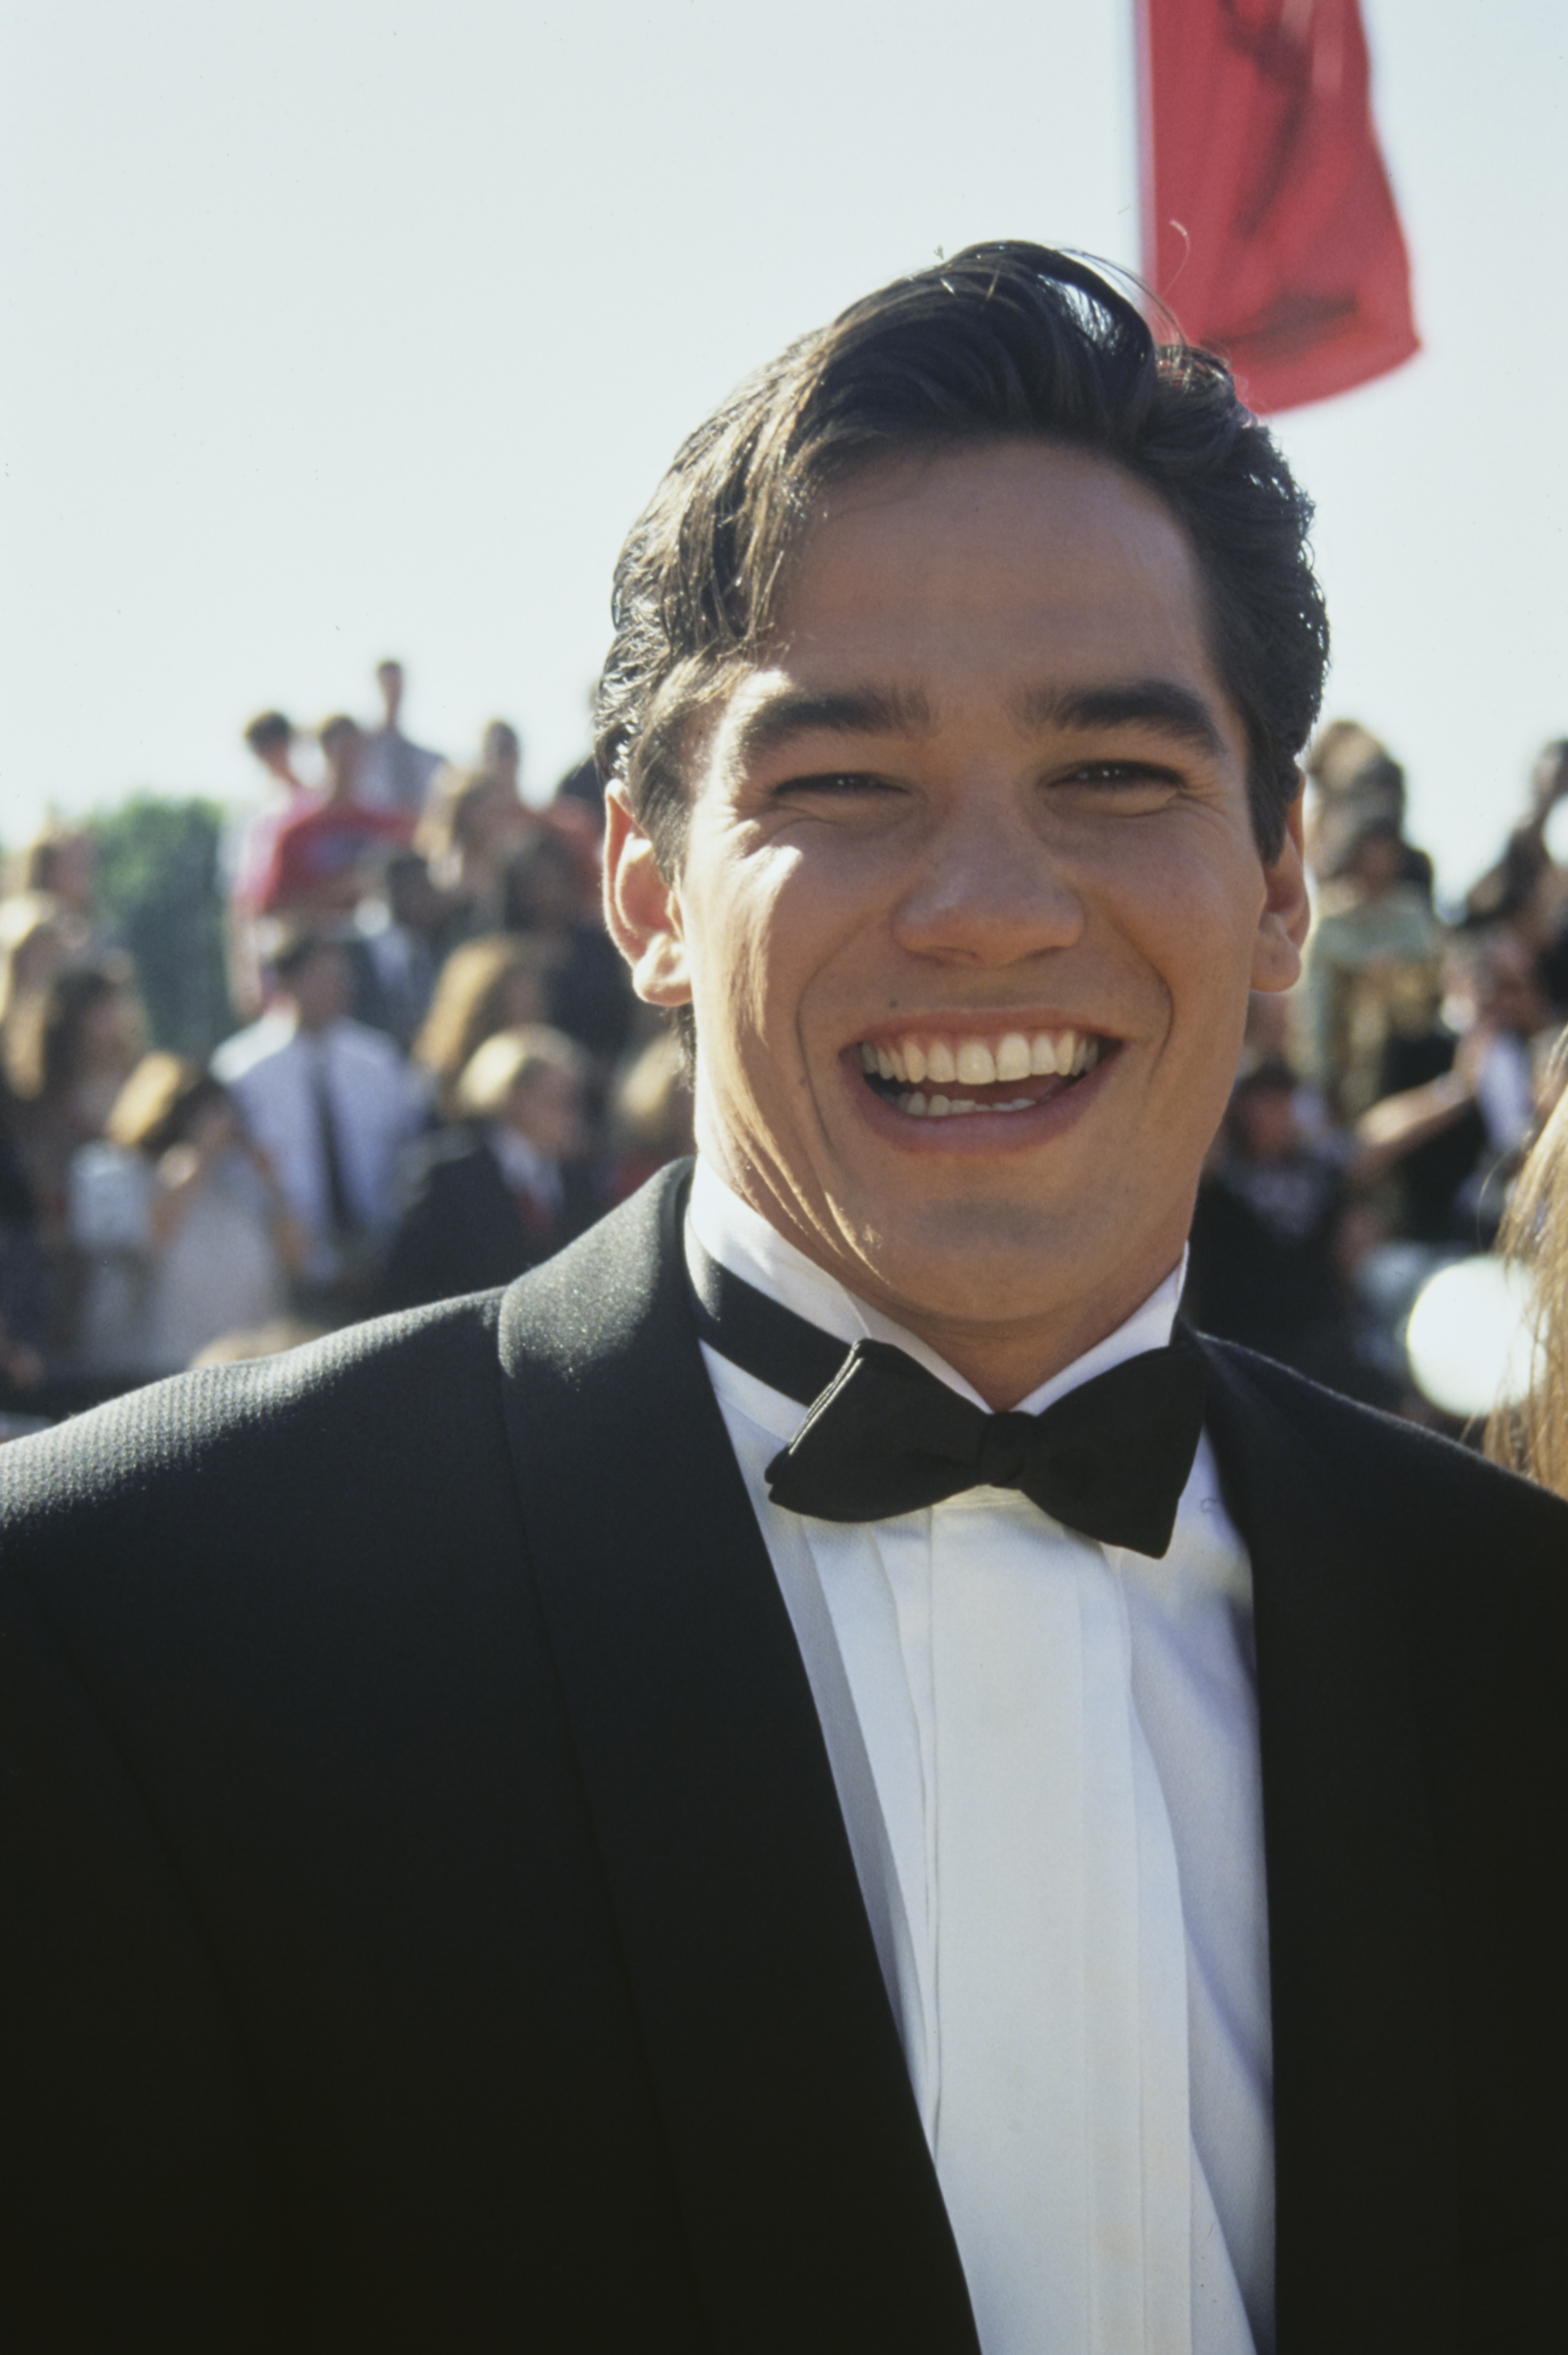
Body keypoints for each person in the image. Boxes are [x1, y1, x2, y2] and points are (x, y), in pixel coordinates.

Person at [3, 244, 1566, 2354]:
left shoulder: (1517, 1644)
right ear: (644, 893)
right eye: (842, 784)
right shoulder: (132, 1632)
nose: (993, 910)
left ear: (1282, 879)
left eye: (1114, 772)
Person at [210, 928, 425, 1308]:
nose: (339, 989)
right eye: (324, 978)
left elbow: (405, 1156)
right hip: (287, 1266)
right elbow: (241, 1178)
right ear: (287, 982)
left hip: (380, 1260)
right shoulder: (241, 1072)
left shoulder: (378, 1062)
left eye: (342, 978)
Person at [67, 1053, 304, 1378]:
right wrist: (196, 1161)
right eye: (202, 1114)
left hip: (242, 1372)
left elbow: (297, 1262)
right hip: (144, 1376)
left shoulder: (239, 1182)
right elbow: (149, 1243)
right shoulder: (108, 1171)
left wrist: (274, 1187)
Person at [380, 1024, 599, 1311]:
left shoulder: (576, 1179)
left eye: (574, 1102)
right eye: (557, 1101)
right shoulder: (448, 1176)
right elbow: (408, 1284)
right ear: (513, 1097)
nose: (571, 1116)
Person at [254, 715, 413, 920]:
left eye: (356, 751)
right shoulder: (295, 833)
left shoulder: (391, 825)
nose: (349, 762)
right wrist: (336, 891)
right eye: (341, 751)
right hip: (321, 942)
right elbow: (274, 908)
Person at [358, 657, 446, 817]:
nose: (393, 692)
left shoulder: (423, 757)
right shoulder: (361, 749)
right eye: (388, 685)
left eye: (397, 685)